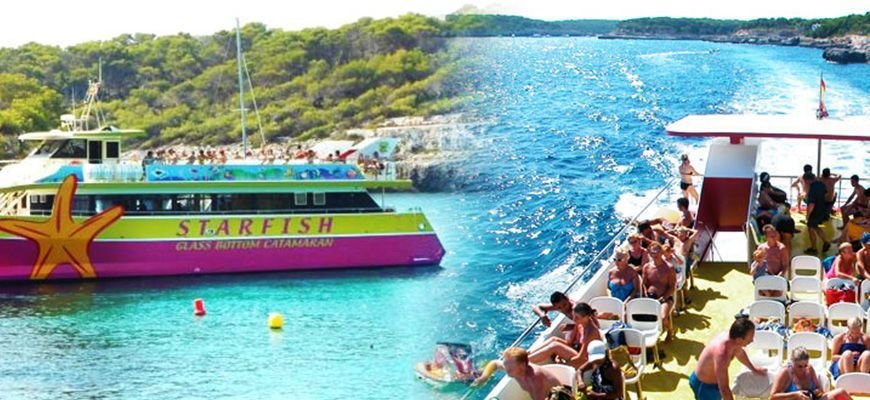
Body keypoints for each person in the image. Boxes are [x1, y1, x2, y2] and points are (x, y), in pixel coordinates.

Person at [691, 317, 766, 400]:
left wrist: (754, 369)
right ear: (739, 340)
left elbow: (740, 354)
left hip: (715, 384)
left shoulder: (734, 341)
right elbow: (724, 389)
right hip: (704, 386)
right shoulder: (722, 354)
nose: (752, 341)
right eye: (749, 340)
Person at [472, 347, 568, 400]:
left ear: (522, 365)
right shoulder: (514, 369)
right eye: (505, 364)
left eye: (509, 367)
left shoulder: (535, 379)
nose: (506, 369)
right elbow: (495, 363)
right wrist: (484, 378)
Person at [528, 303, 602, 368]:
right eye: (573, 316)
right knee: (554, 339)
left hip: (587, 362)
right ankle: (527, 356)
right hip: (577, 351)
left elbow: (581, 358)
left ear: (586, 317)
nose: (574, 319)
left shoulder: (591, 332)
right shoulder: (580, 324)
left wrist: (563, 365)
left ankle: (525, 361)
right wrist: (559, 355)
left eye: (577, 317)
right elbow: (570, 343)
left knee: (555, 346)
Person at [770, 347, 853, 400]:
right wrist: (795, 395)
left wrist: (817, 391)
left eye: (805, 365)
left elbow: (820, 390)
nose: (803, 369)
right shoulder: (785, 372)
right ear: (792, 363)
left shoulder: (809, 369)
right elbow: (773, 396)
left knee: (840, 392)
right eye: (799, 366)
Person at [642, 242, 677, 341]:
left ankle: (669, 330)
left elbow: (672, 287)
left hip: (665, 298)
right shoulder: (646, 267)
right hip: (649, 296)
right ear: (649, 253)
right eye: (652, 252)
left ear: (661, 252)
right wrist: (645, 293)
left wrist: (663, 298)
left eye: (657, 251)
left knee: (662, 317)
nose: (655, 254)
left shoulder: (669, 268)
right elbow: (644, 283)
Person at [805, 173, 832, 255]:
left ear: (808, 180)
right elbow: (826, 194)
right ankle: (826, 242)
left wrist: (808, 215)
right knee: (815, 226)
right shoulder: (821, 184)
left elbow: (811, 204)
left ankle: (814, 248)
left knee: (810, 228)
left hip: (815, 211)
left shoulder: (812, 189)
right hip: (822, 209)